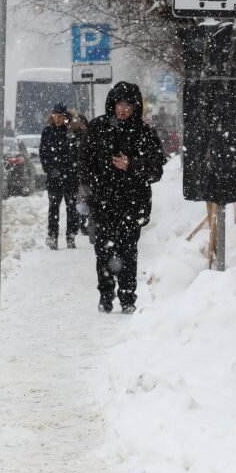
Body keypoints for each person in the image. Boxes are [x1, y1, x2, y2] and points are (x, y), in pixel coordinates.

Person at [79, 82, 164, 314]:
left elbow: (156, 170)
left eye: (128, 105)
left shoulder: (144, 133)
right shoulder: (97, 129)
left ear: (135, 107)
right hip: (103, 203)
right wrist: (95, 188)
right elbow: (85, 165)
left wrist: (132, 165)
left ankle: (127, 297)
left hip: (132, 204)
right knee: (103, 252)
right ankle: (105, 295)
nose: (123, 110)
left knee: (128, 252)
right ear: (112, 104)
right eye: (119, 104)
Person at [38, 104, 82, 250]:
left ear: (65, 117)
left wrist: (75, 170)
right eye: (55, 115)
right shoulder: (48, 132)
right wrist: (49, 169)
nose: (57, 118)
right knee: (54, 207)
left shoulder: (73, 131)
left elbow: (79, 153)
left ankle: (70, 236)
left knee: (71, 207)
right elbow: (43, 153)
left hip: (70, 176)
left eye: (60, 116)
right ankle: (52, 236)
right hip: (54, 177)